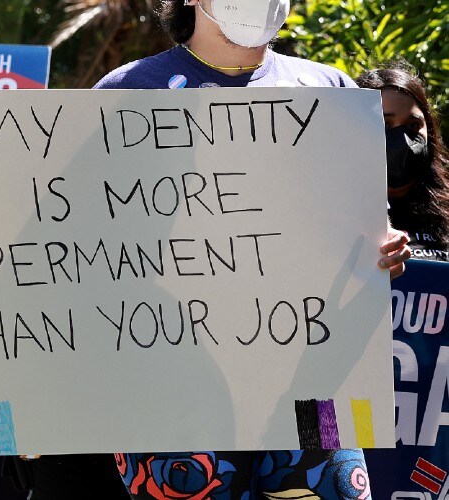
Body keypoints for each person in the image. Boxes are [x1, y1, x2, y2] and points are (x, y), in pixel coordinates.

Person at [94, 0, 411, 498]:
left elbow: (366, 229)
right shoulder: (125, 93)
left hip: (315, 382)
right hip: (174, 394)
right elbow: (79, 246)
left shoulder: (331, 92)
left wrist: (383, 253)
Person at [356, 66, 449, 261]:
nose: (402, 140)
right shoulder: (333, 217)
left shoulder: (445, 213)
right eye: (384, 125)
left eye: (413, 125)